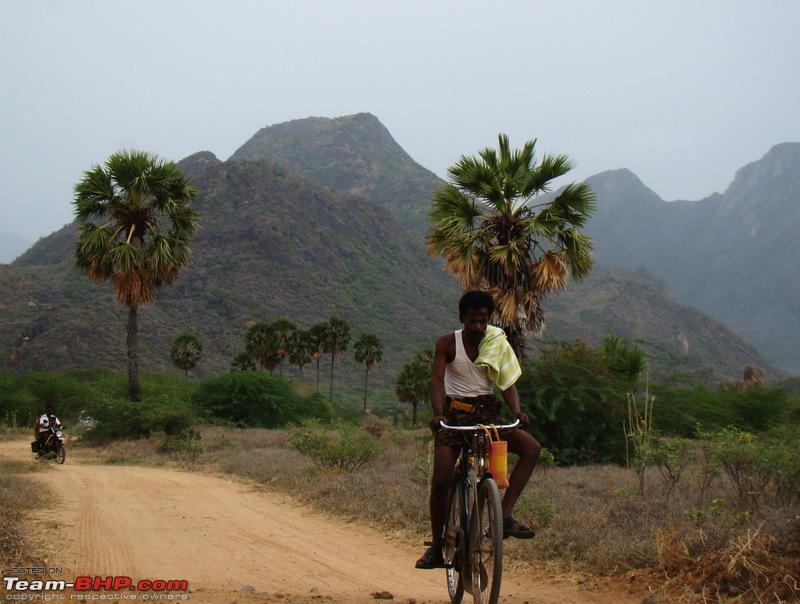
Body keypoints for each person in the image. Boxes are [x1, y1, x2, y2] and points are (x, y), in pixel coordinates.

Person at [416, 290, 541, 569]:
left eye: (483, 321)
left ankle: (505, 514)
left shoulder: (495, 342)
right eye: (472, 321)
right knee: (441, 477)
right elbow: (436, 380)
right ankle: (437, 546)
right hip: (455, 415)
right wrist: (438, 414)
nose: (478, 328)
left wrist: (517, 411)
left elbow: (507, 383)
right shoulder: (448, 343)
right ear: (462, 318)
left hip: (487, 415)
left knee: (531, 449)